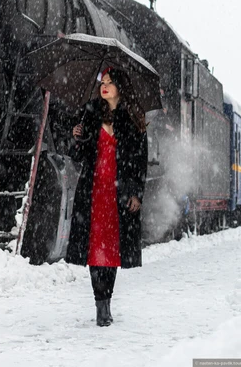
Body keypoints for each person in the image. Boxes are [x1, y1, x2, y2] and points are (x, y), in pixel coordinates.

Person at [67, 67, 148, 327]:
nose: (104, 86)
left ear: (120, 88)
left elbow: (140, 162)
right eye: (103, 81)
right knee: (95, 249)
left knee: (112, 250)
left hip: (118, 194)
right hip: (93, 192)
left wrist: (137, 193)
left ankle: (107, 300)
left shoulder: (133, 118)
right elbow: (77, 156)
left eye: (110, 82)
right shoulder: (90, 113)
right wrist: (76, 139)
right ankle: (100, 305)